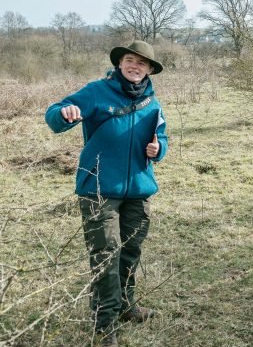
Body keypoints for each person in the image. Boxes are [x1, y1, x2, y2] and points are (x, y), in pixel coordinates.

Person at [45, 41, 168, 347]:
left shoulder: (152, 102)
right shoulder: (97, 91)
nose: (135, 66)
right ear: (120, 64)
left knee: (130, 251)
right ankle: (105, 323)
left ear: (150, 69)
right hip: (99, 190)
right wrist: (65, 113)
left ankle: (127, 305)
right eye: (130, 60)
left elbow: (162, 136)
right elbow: (54, 114)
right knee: (106, 256)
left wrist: (159, 149)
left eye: (142, 63)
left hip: (138, 191)